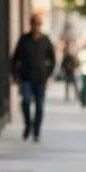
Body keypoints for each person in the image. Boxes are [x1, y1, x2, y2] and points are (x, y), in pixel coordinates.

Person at [10, 14, 56, 142]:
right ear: (30, 24)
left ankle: (36, 131)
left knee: (40, 107)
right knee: (25, 102)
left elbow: (52, 60)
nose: (36, 26)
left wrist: (48, 74)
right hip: (26, 79)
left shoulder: (46, 40)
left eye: (39, 24)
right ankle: (28, 125)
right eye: (34, 23)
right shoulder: (24, 40)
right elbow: (14, 60)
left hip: (41, 79)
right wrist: (15, 76)